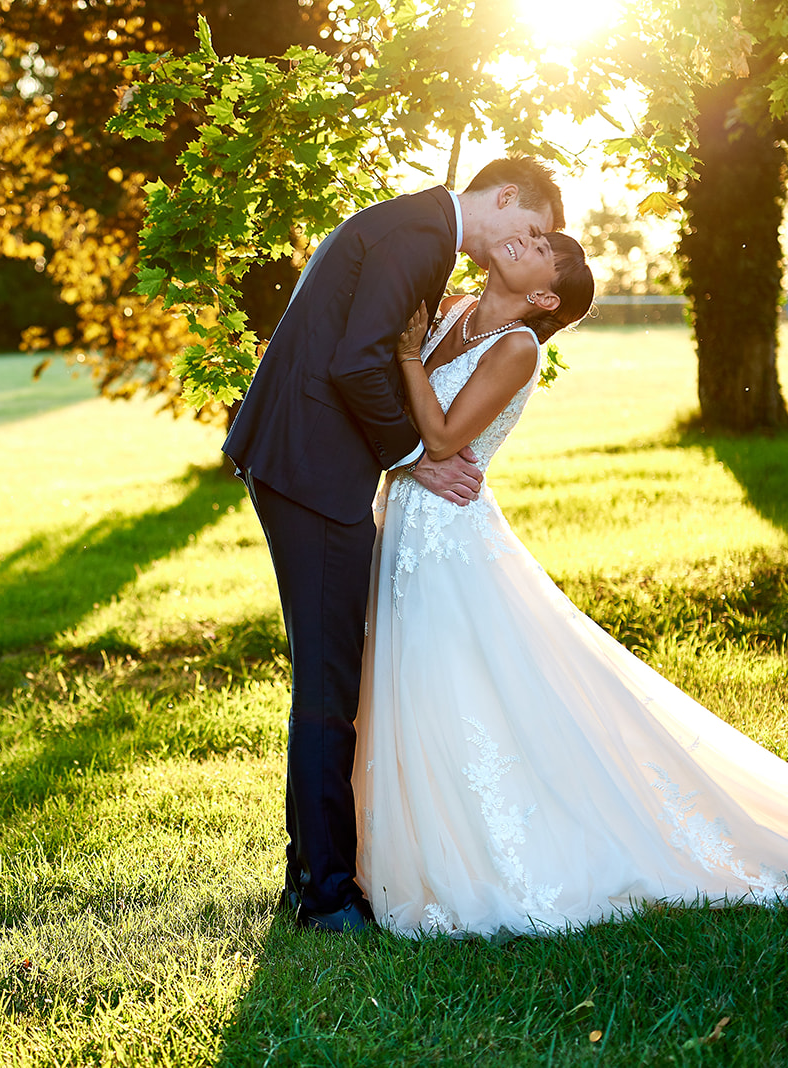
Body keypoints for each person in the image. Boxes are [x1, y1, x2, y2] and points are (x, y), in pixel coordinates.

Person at [355, 231, 788, 938]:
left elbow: (443, 440)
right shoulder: (448, 308)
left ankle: (488, 853)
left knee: (454, 686)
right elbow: (387, 403)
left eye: (540, 247)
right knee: (410, 685)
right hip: (405, 522)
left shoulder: (517, 348)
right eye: (533, 233)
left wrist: (410, 358)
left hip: (450, 534)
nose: (524, 237)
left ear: (544, 295)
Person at [222, 158, 566, 932]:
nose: (532, 241)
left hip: (307, 463)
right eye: (534, 227)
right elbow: (354, 362)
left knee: (329, 677)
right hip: (312, 468)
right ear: (505, 198)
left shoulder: (418, 231)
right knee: (327, 682)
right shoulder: (420, 237)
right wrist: (417, 456)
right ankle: (325, 896)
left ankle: (308, 873)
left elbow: (366, 352)